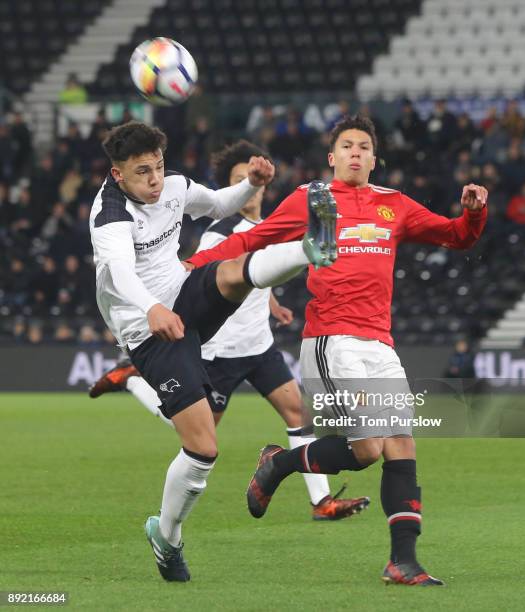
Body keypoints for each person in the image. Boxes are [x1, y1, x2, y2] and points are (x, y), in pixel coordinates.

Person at [186, 114, 488, 586]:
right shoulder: (313, 199)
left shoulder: (395, 204)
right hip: (332, 339)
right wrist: (194, 263)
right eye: (346, 145)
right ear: (332, 158)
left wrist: (471, 212)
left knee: (400, 442)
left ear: (373, 158)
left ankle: (402, 562)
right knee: (367, 448)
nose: (354, 152)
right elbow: (252, 239)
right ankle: (280, 463)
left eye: (363, 146)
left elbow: (457, 236)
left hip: (380, 344)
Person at [89, 121, 337, 583]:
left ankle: (313, 247)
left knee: (233, 272)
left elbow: (217, 203)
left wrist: (250, 184)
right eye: (143, 172)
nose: (155, 179)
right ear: (119, 175)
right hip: (148, 331)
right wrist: (152, 309)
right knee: (203, 447)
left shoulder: (174, 186)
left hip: (183, 294)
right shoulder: (109, 217)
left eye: (159, 167)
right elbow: (122, 275)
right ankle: (167, 537)